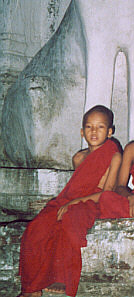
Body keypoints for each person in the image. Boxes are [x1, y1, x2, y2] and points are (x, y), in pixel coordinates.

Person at [18, 105, 122, 297]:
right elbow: (78, 186)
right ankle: (31, 289)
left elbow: (106, 193)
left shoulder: (114, 155)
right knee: (37, 228)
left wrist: (72, 204)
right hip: (69, 201)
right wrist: (66, 202)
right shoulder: (79, 157)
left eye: (100, 127)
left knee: (70, 221)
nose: (94, 131)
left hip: (93, 203)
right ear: (82, 132)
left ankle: (63, 278)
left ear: (110, 131)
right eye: (89, 127)